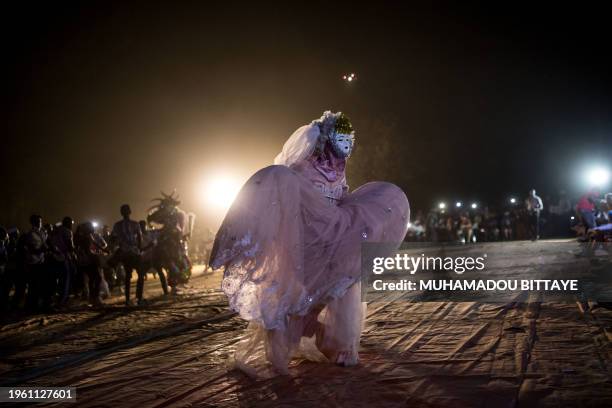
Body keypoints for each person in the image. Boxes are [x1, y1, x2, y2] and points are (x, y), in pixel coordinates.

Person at [209, 111, 409, 377]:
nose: (346, 147)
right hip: (306, 243)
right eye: (342, 140)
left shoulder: (339, 168)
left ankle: (336, 343)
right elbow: (288, 202)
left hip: (334, 240)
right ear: (326, 139)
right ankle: (309, 340)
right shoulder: (300, 169)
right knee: (298, 298)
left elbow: (340, 196)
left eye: (350, 140)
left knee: (338, 290)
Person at [110, 204, 144, 306]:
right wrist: (139, 248)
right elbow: (139, 238)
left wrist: (119, 243)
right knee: (140, 275)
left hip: (125, 253)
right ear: (130, 212)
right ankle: (138, 297)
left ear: (121, 213)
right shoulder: (135, 223)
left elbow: (112, 239)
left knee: (128, 277)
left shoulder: (117, 225)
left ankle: (128, 299)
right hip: (134, 252)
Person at [23, 214, 51, 311]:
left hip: (41, 262)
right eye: (37, 221)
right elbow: (31, 249)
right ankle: (32, 307)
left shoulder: (42, 232)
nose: (40, 223)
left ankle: (40, 305)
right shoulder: (30, 234)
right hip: (33, 263)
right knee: (33, 286)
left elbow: (45, 245)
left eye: (40, 221)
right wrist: (41, 250)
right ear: (32, 222)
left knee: (42, 285)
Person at [47, 216, 76, 305]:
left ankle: (51, 300)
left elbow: (49, 241)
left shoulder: (55, 230)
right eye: (71, 223)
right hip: (63, 257)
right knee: (65, 280)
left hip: (53, 257)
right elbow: (70, 245)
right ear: (68, 223)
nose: (72, 225)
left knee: (54, 281)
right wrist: (74, 254)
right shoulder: (67, 231)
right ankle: (62, 301)